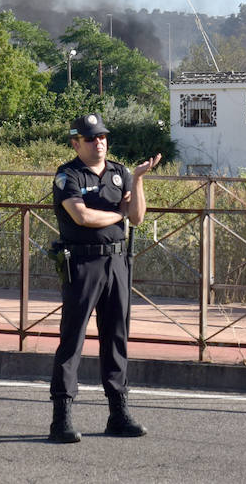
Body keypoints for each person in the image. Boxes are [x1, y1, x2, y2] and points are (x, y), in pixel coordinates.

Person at [47, 113, 161, 444]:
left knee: (116, 337)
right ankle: (61, 417)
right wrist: (117, 214)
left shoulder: (119, 173)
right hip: (82, 262)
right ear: (76, 143)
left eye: (103, 137)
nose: (99, 143)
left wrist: (138, 180)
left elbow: (137, 216)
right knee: (73, 339)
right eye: (91, 138)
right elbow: (81, 216)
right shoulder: (68, 174)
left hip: (117, 261)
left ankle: (118, 413)